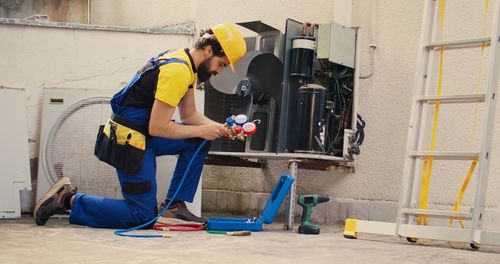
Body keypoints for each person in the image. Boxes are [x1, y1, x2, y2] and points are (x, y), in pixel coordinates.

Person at [33, 23, 247, 228]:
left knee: (198, 140)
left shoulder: (185, 64)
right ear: (209, 50)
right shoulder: (177, 70)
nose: (219, 71)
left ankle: (174, 206)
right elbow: (158, 127)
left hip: (145, 134)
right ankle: (67, 199)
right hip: (130, 141)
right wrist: (203, 130)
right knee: (142, 215)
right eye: (222, 64)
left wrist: (219, 129)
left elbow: (189, 115)